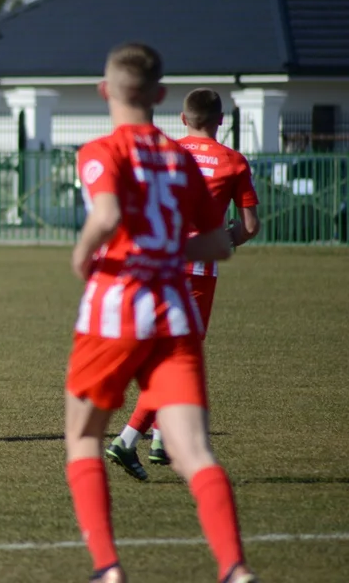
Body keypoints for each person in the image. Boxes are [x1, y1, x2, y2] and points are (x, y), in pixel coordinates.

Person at [65, 44, 257, 583]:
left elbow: (106, 214)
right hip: (174, 311)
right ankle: (235, 568)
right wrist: (170, 250)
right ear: (161, 95)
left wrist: (82, 254)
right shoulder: (179, 160)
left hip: (115, 308)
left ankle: (108, 568)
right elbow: (220, 243)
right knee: (194, 448)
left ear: (105, 92)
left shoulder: (100, 149)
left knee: (82, 437)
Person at [106, 88, 261, 481]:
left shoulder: (163, 153)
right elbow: (249, 227)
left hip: (154, 263)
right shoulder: (233, 161)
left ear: (181, 118)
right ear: (222, 120)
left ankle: (159, 440)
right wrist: (226, 239)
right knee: (179, 361)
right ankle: (128, 439)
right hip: (197, 270)